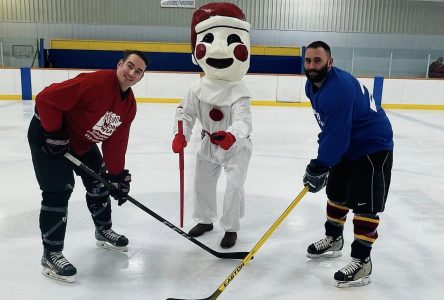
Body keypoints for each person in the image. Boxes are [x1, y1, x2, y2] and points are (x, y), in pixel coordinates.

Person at [27, 50, 149, 283]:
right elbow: (45, 99)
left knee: (100, 181)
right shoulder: (96, 82)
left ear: (141, 78)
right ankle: (51, 254)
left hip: (80, 142)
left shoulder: (129, 107)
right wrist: (53, 133)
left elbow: (115, 142)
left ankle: (103, 230)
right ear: (120, 64)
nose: (131, 73)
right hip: (47, 134)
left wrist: (116, 176)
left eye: (138, 71)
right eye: (129, 66)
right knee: (59, 191)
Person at [302, 41, 393, 288]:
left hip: (372, 145)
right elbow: (331, 126)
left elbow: (338, 133)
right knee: (337, 194)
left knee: (364, 205)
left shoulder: (337, 89)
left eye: (317, 61)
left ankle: (362, 261)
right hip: (347, 143)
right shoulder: (312, 86)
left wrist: (321, 164)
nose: (312, 66)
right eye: (308, 60)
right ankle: (333, 239)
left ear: (329, 63)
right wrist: (324, 159)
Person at [171, 2, 252, 249]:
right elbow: (185, 114)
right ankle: (205, 220)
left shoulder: (239, 90)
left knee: (234, 187)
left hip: (235, 147)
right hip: (208, 142)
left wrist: (231, 136)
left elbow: (243, 120)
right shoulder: (197, 88)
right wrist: (181, 134)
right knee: (202, 183)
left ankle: (230, 228)